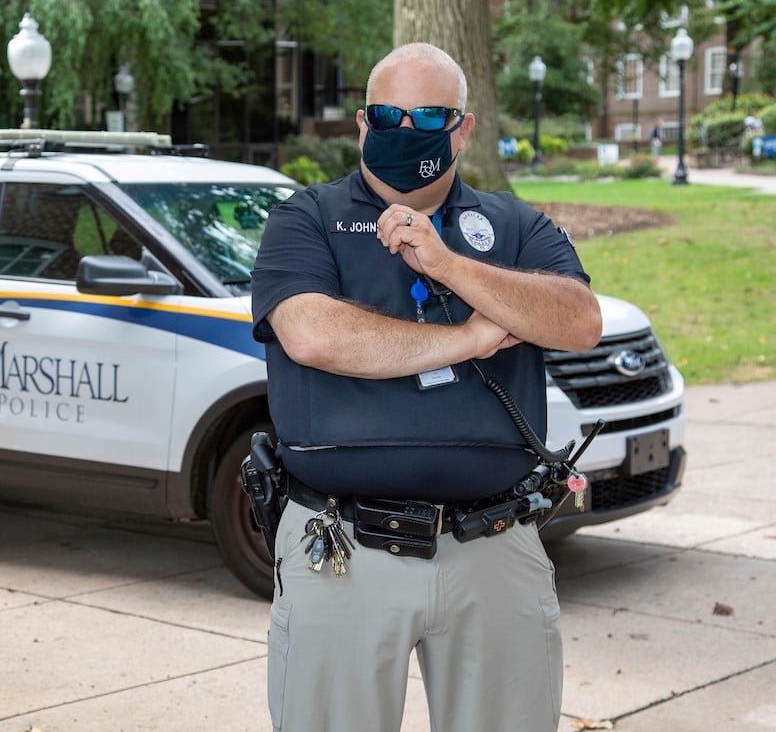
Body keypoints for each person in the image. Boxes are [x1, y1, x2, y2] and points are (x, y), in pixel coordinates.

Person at [250, 42, 602, 732]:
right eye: (386, 115)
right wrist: (470, 338)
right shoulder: (307, 218)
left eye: (427, 118)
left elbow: (578, 320)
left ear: (462, 129)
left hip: (495, 547)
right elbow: (313, 335)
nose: (403, 133)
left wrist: (449, 263)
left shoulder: (514, 226)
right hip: (342, 545)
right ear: (361, 124)